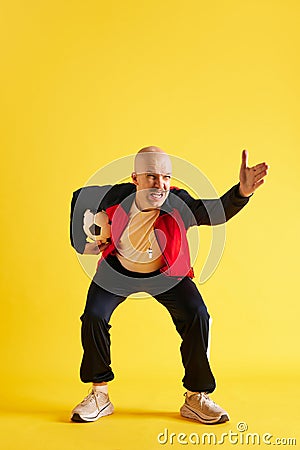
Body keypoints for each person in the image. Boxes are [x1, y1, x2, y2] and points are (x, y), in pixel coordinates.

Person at [70, 146, 269, 424]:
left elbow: (212, 212)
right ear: (135, 179)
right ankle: (99, 394)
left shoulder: (177, 202)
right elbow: (79, 197)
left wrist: (241, 192)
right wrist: (81, 244)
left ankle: (196, 397)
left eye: (165, 177)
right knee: (93, 316)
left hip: (166, 273)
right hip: (118, 270)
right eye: (151, 176)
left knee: (197, 315)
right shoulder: (117, 194)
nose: (160, 184)